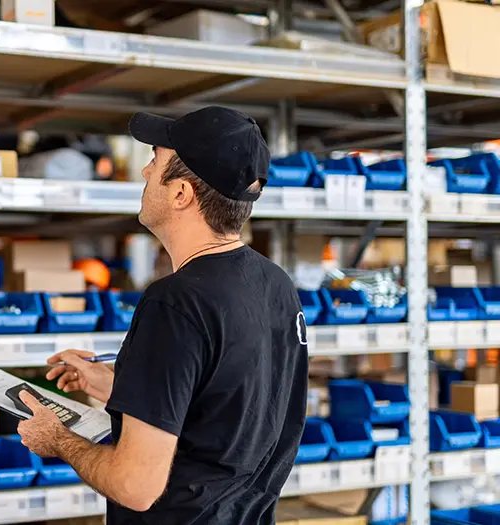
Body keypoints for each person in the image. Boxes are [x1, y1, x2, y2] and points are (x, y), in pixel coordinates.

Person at [17, 106, 309, 524]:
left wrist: (58, 438)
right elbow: (226, 410)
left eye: (155, 161)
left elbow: (135, 487)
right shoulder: (275, 285)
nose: (144, 172)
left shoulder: (174, 303)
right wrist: (121, 387)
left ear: (181, 194)